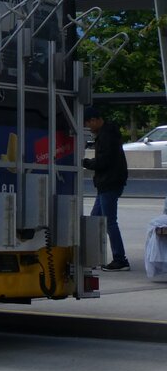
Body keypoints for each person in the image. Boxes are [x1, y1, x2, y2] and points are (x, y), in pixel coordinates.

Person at [82, 106, 130, 271]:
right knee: (95, 219)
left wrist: (85, 163)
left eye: (88, 125)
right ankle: (93, 257)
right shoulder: (107, 132)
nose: (89, 128)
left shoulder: (106, 135)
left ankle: (120, 259)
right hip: (108, 183)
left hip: (109, 182)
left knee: (109, 221)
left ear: (94, 120)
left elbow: (104, 161)